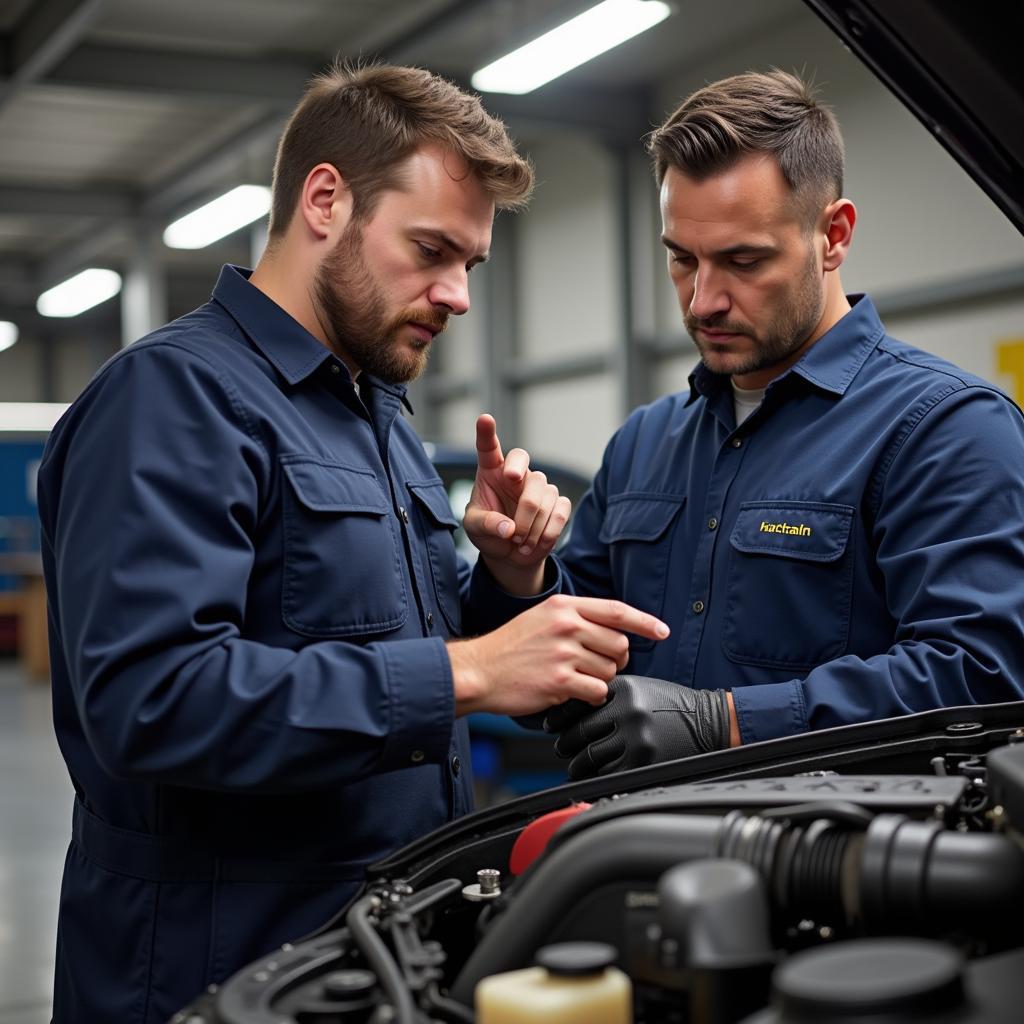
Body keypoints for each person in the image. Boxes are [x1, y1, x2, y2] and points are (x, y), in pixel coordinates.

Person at [37, 63, 668, 1024]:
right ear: (325, 200)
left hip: (375, 954)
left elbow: (391, 636)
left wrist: (504, 580)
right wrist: (468, 674)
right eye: (430, 249)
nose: (456, 294)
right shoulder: (173, 400)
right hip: (218, 974)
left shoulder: (373, 413)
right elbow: (150, 700)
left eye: (472, 264)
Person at [545, 70, 1024, 780]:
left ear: (833, 235)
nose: (703, 300)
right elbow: (560, 667)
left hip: (830, 874)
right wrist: (517, 573)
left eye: (744, 261)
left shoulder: (947, 430)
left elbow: (983, 677)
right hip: (632, 863)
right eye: (682, 259)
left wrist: (728, 724)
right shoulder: (643, 444)